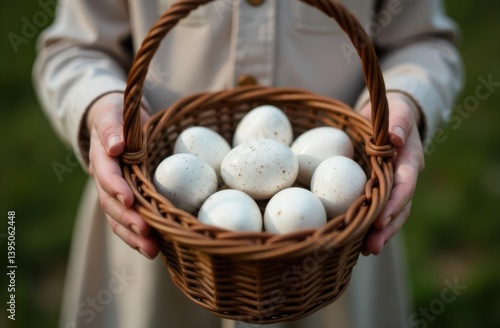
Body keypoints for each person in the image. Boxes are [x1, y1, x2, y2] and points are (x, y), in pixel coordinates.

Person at [33, 0, 463, 327]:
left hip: (336, 243)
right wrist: (102, 107)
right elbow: (74, 47)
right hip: (159, 225)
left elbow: (422, 41)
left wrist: (400, 104)